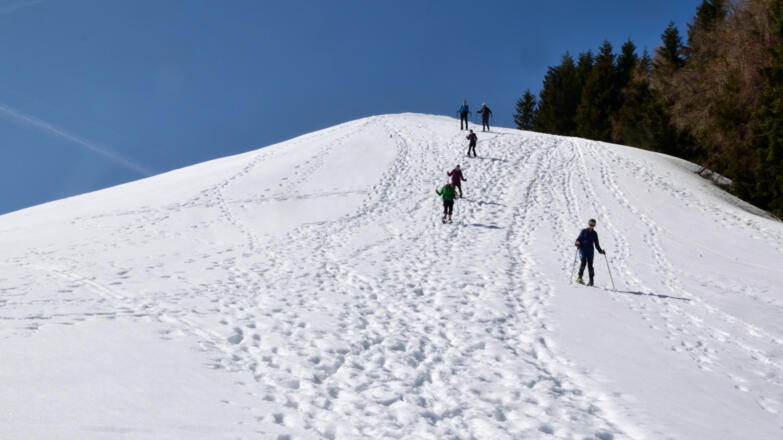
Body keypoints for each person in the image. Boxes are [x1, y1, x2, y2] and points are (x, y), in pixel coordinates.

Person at [574, 218, 606, 286]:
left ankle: (591, 281)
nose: (591, 226)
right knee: (583, 262)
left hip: (590, 250)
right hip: (582, 249)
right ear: (588, 224)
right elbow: (578, 239)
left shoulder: (594, 234)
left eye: (593, 225)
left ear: (595, 225)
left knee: (590, 265)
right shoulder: (584, 231)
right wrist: (577, 242)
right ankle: (579, 278)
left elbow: (597, 244)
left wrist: (601, 251)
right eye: (590, 224)